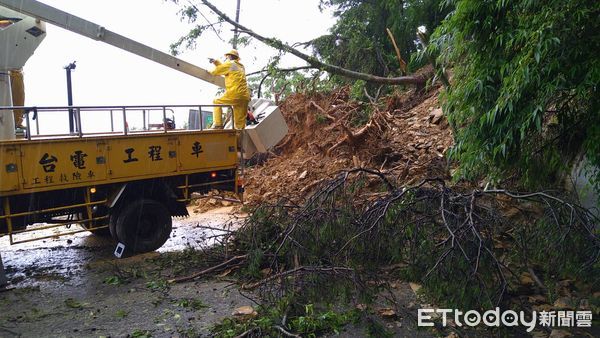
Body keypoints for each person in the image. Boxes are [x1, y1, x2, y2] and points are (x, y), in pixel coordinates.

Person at [209, 50, 250, 130]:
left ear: (230, 56)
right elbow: (225, 69)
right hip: (245, 97)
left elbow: (216, 71)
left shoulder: (230, 64)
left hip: (235, 93)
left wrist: (208, 71)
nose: (226, 58)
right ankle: (240, 139)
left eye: (227, 56)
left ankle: (218, 124)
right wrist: (216, 62)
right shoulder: (241, 66)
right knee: (240, 124)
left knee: (216, 102)